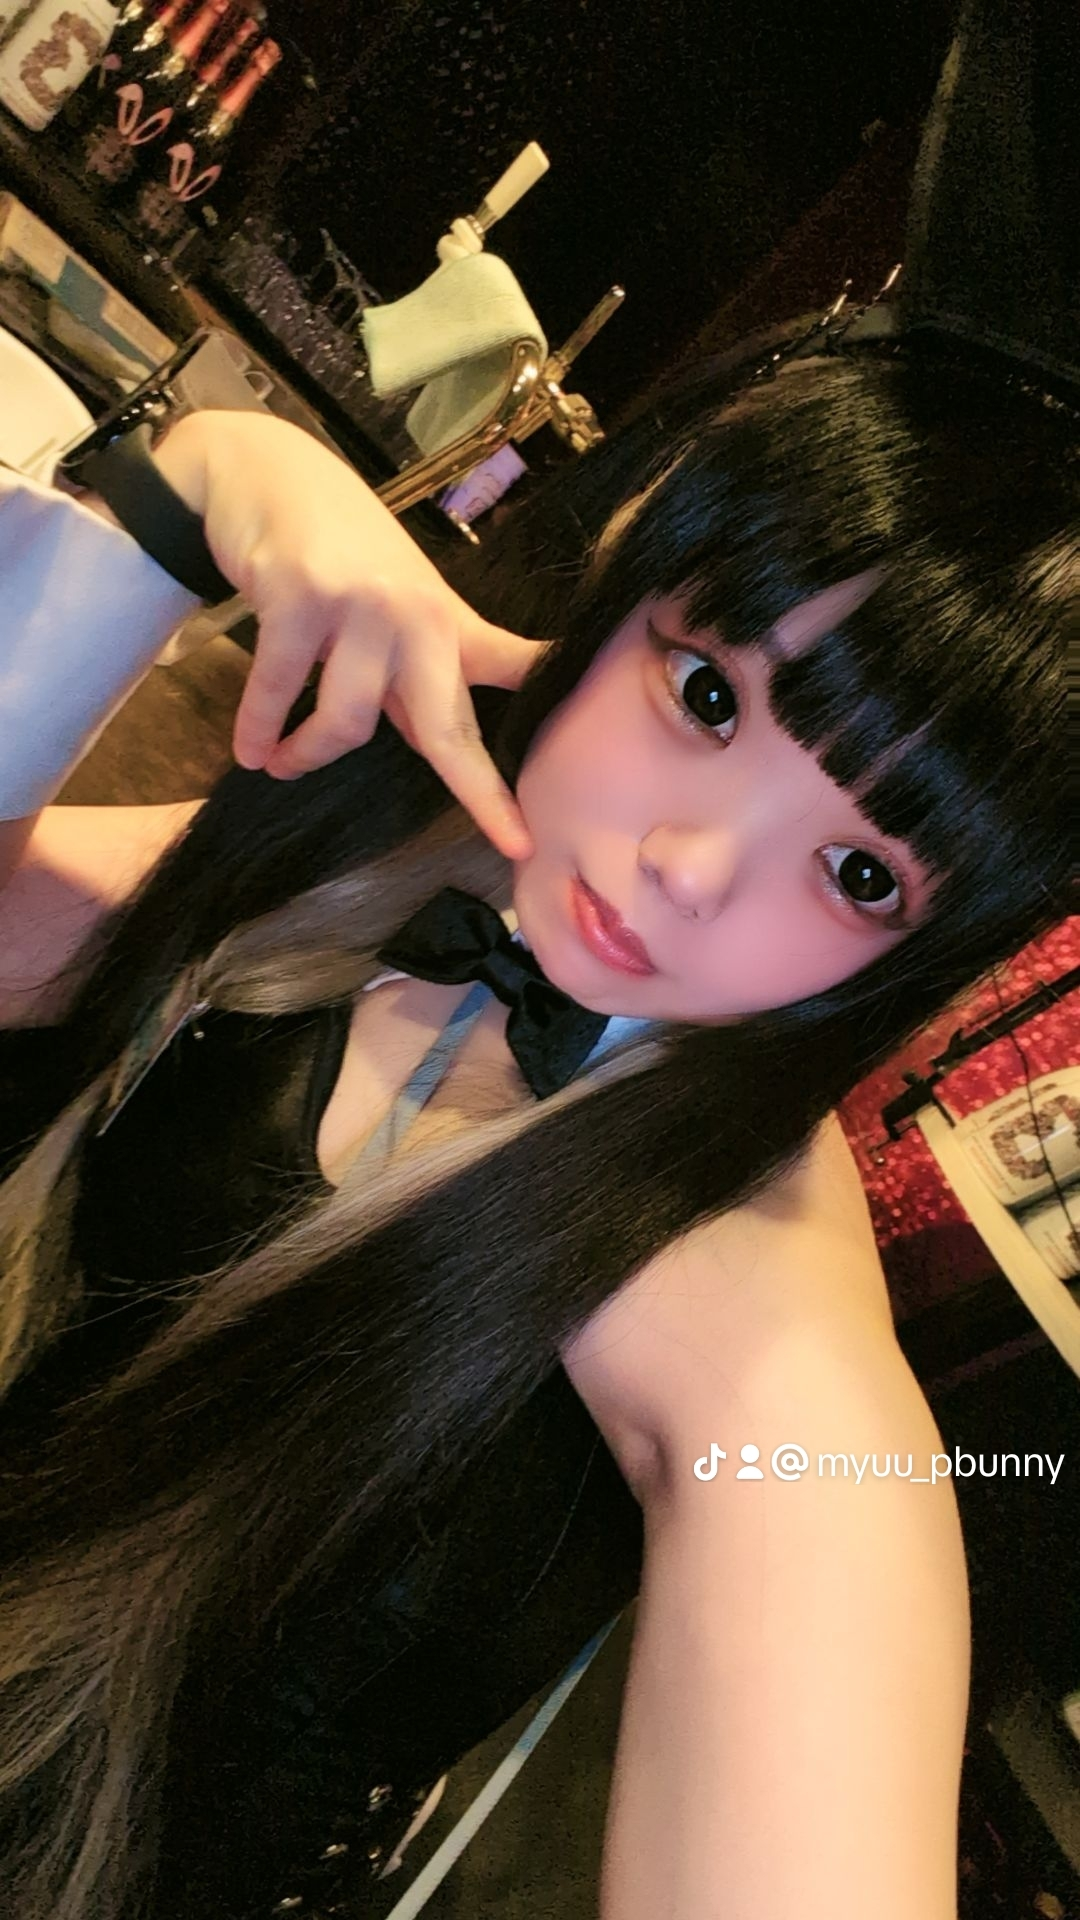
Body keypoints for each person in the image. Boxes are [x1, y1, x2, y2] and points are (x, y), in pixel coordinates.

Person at [0, 12, 1075, 1914]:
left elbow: (829, 1562)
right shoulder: (385, 873)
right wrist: (192, 499)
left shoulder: (766, 1351)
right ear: (632, 562)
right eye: (707, 695)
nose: (684, 867)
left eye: (858, 868)